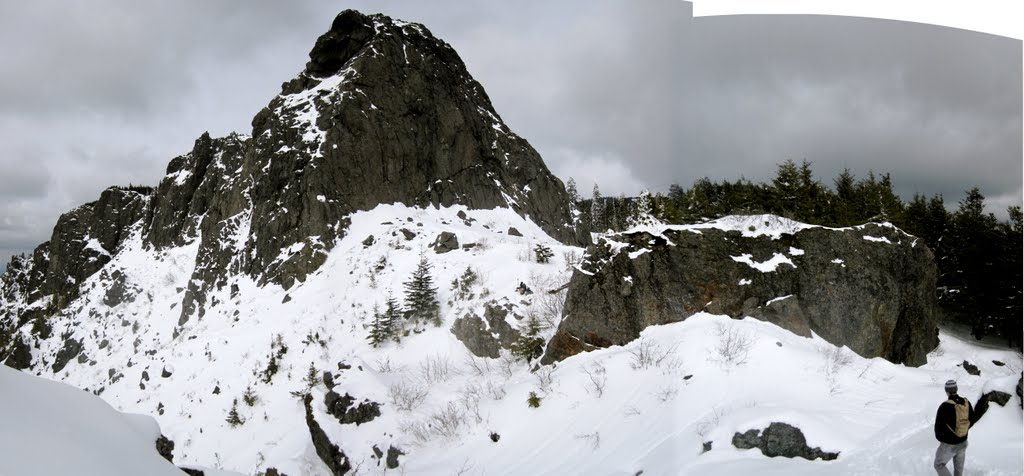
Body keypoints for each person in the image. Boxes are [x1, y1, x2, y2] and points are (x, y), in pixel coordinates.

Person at [933, 380, 983, 476]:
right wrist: (963, 431)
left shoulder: (944, 406)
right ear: (956, 389)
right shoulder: (966, 403)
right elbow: (972, 420)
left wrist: (944, 439)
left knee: (938, 464)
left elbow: (938, 428)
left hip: (949, 444)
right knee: (958, 470)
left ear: (946, 391)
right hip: (963, 442)